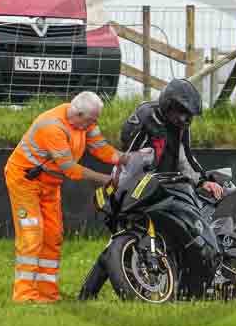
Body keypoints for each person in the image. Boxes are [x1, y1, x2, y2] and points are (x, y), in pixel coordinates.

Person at [78, 79, 223, 300]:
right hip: (140, 182)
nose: (184, 119)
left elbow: (186, 158)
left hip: (169, 183)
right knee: (118, 234)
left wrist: (203, 181)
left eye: (188, 115)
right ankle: (86, 295)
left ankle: (193, 277)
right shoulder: (145, 115)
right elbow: (127, 153)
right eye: (180, 112)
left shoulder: (182, 128)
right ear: (167, 105)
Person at [4, 91, 127, 303]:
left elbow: (101, 149)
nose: (94, 124)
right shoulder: (53, 127)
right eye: (91, 120)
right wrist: (107, 179)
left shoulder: (85, 122)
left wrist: (125, 160)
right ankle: (24, 295)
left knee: (53, 235)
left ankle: (47, 295)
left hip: (50, 184)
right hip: (25, 182)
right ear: (78, 114)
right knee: (32, 234)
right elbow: (69, 168)